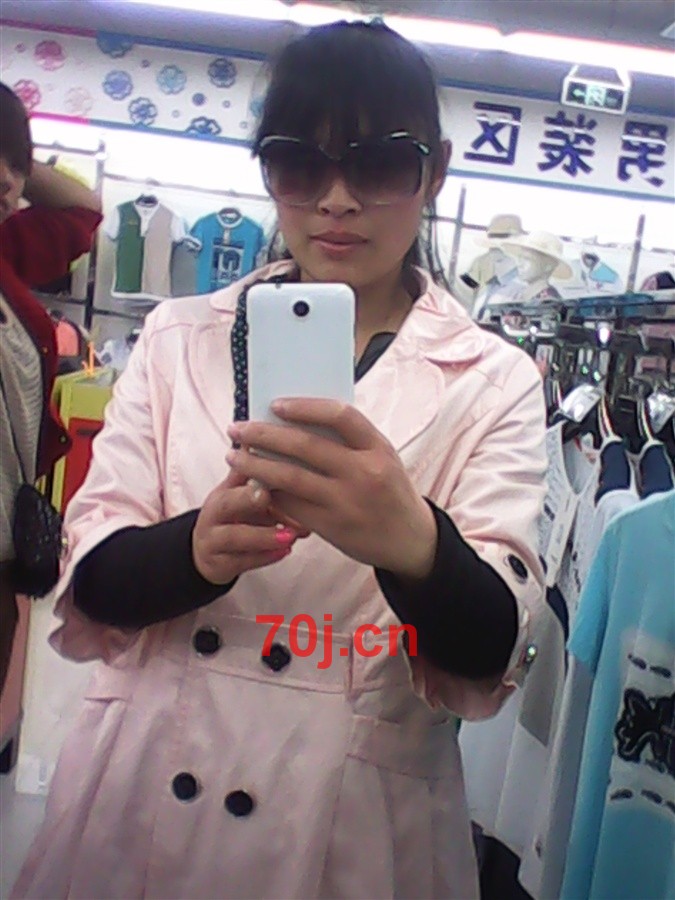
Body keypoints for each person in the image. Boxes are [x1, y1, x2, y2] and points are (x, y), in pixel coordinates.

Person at [13, 22, 546, 900]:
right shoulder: (176, 340)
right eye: (298, 164)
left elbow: (491, 649)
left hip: (349, 828)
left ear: (434, 173)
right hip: (140, 806)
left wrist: (413, 544)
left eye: (378, 165)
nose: (335, 201)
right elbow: (93, 580)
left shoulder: (492, 382)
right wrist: (194, 551)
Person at [0, 82, 101, 695]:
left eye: (13, 162)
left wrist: (18, 165)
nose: (6, 178)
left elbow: (82, 212)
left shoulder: (4, 252)